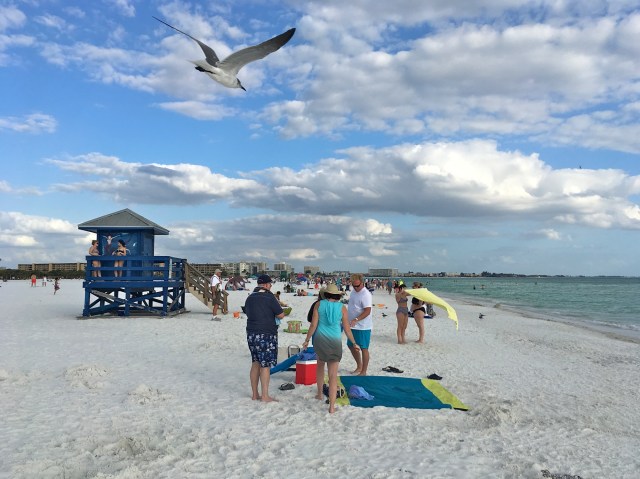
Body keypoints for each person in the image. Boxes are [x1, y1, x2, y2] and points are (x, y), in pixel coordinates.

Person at [304, 283, 360, 413]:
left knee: (320, 366)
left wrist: (307, 340)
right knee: (333, 375)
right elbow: (347, 329)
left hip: (320, 340)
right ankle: (332, 406)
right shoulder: (342, 308)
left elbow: (313, 325)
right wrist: (354, 343)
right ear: (337, 295)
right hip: (335, 342)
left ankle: (319, 393)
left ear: (326, 294)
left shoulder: (319, 305)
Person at [244, 274, 285, 402]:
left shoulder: (250, 297)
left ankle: (255, 394)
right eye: (270, 285)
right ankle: (265, 395)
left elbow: (248, 312)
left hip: (251, 332)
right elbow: (281, 315)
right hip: (266, 333)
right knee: (265, 365)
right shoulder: (269, 297)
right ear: (267, 285)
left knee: (255, 362)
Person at [346, 273, 373, 376]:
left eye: (358, 285)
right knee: (351, 345)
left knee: (363, 348)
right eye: (354, 285)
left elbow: (367, 311)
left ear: (362, 283)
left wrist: (356, 319)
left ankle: (363, 371)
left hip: (363, 326)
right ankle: (359, 365)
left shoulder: (366, 294)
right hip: (352, 324)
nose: (356, 288)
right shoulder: (353, 291)